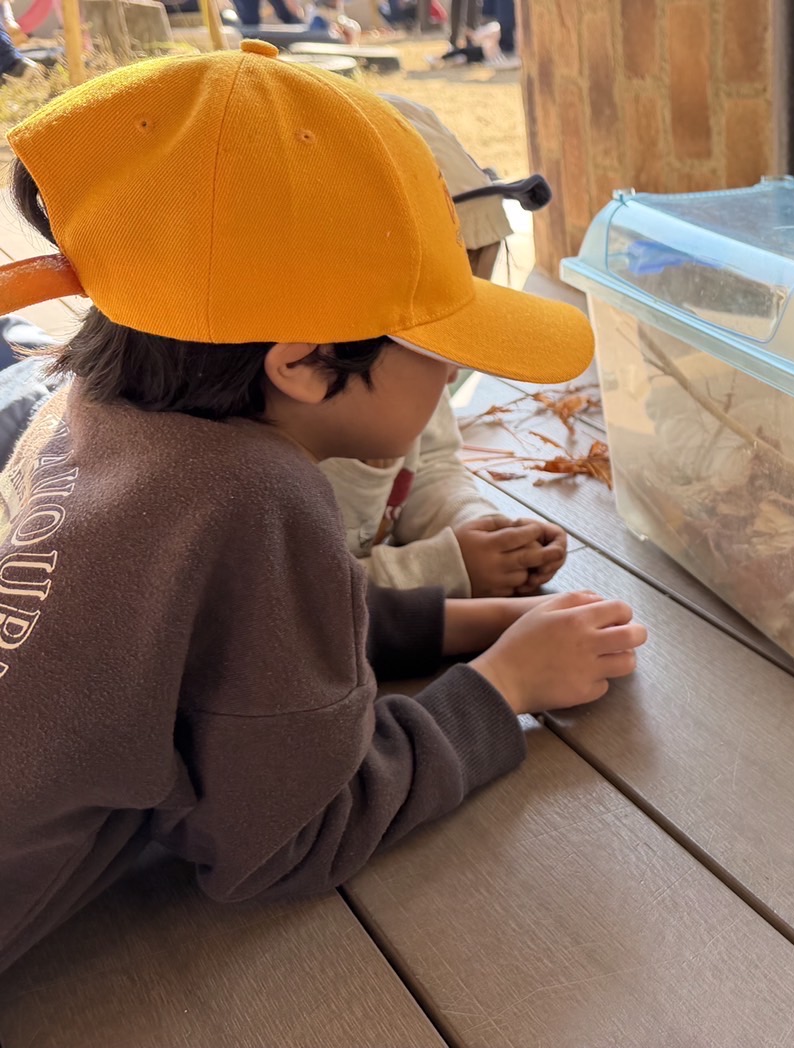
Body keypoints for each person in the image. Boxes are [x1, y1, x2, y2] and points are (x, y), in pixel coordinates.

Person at [0, 41, 647, 977]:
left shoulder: (90, 417)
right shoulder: (260, 490)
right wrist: (502, 688)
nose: (453, 377)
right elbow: (283, 841)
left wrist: (451, 623)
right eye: (441, 348)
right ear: (303, 361)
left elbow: (221, 645)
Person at [315, 94, 555, 599]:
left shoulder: (406, 382)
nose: (454, 369)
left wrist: (475, 528)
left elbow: (432, 468)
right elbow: (303, 604)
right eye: (436, 337)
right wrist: (445, 568)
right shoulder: (259, 472)